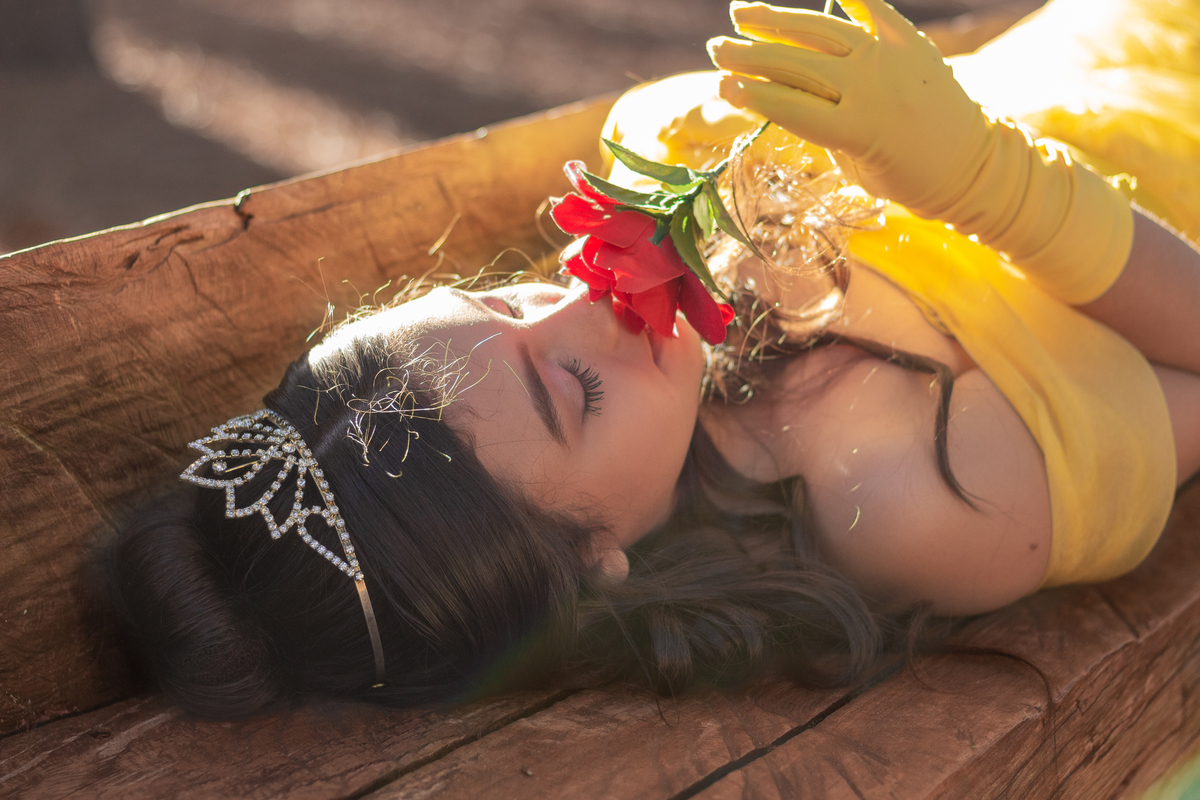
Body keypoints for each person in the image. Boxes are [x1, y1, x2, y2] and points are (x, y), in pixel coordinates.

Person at [102, 0, 1200, 717]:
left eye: (504, 294)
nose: (585, 297)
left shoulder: (681, 242)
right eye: (570, 388)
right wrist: (982, 182)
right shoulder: (912, 499)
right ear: (594, 561)